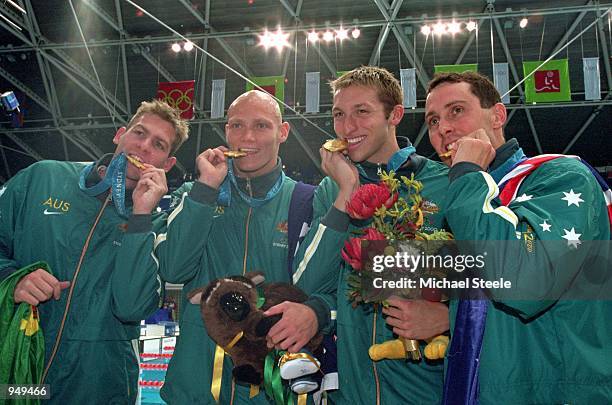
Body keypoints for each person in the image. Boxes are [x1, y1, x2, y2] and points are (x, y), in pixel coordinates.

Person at [424, 71, 612, 404]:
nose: (443, 129)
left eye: (456, 110)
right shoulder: (463, 203)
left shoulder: (561, 175)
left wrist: (467, 175)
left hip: (554, 393)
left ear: (497, 115)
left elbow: (526, 283)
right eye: (433, 120)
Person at [156, 90, 349, 404]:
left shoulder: (309, 201)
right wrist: (205, 190)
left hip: (273, 391)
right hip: (196, 388)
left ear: (282, 132)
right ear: (226, 131)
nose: (247, 136)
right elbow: (174, 268)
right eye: (236, 126)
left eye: (261, 126)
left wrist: (315, 313)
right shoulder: (197, 193)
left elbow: (330, 288)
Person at [0, 99, 189, 403]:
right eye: (139, 133)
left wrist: (140, 215)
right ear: (120, 135)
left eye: (158, 145)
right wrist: (12, 278)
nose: (143, 147)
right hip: (21, 369)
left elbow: (132, 308)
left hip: (99, 386)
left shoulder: (155, 222)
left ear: (166, 165)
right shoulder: (43, 178)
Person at [293, 66, 451, 404]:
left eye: (362, 112)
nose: (348, 127)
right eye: (339, 115)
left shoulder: (445, 182)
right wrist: (345, 191)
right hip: (350, 391)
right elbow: (307, 285)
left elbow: (484, 277)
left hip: (426, 391)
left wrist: (446, 317)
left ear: (394, 115)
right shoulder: (330, 189)